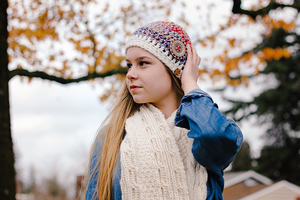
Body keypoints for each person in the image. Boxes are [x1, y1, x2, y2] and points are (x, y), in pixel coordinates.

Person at [85, 21, 243, 200]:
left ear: (174, 70)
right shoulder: (112, 136)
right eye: (129, 65)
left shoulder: (201, 130)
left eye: (143, 63)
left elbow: (213, 135)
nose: (130, 74)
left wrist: (190, 83)